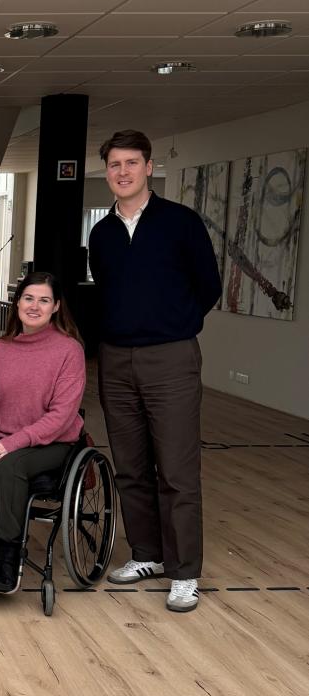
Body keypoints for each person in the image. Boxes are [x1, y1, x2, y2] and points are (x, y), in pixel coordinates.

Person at [88, 129, 221, 613]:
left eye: (131, 163)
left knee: (179, 472)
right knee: (131, 467)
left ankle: (184, 571)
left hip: (171, 357)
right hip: (116, 359)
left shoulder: (180, 223)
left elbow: (208, 286)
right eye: (114, 164)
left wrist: (174, 323)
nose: (122, 172)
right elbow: (106, 290)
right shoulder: (100, 234)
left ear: (148, 167)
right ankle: (147, 555)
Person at [0, 272, 86, 592]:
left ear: (56, 307)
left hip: (53, 443)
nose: (34, 306)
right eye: (28, 298)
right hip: (6, 438)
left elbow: (61, 416)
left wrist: (10, 444)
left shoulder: (69, 350)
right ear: (17, 303)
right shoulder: (0, 349)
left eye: (44, 300)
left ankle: (8, 552)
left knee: (10, 463)